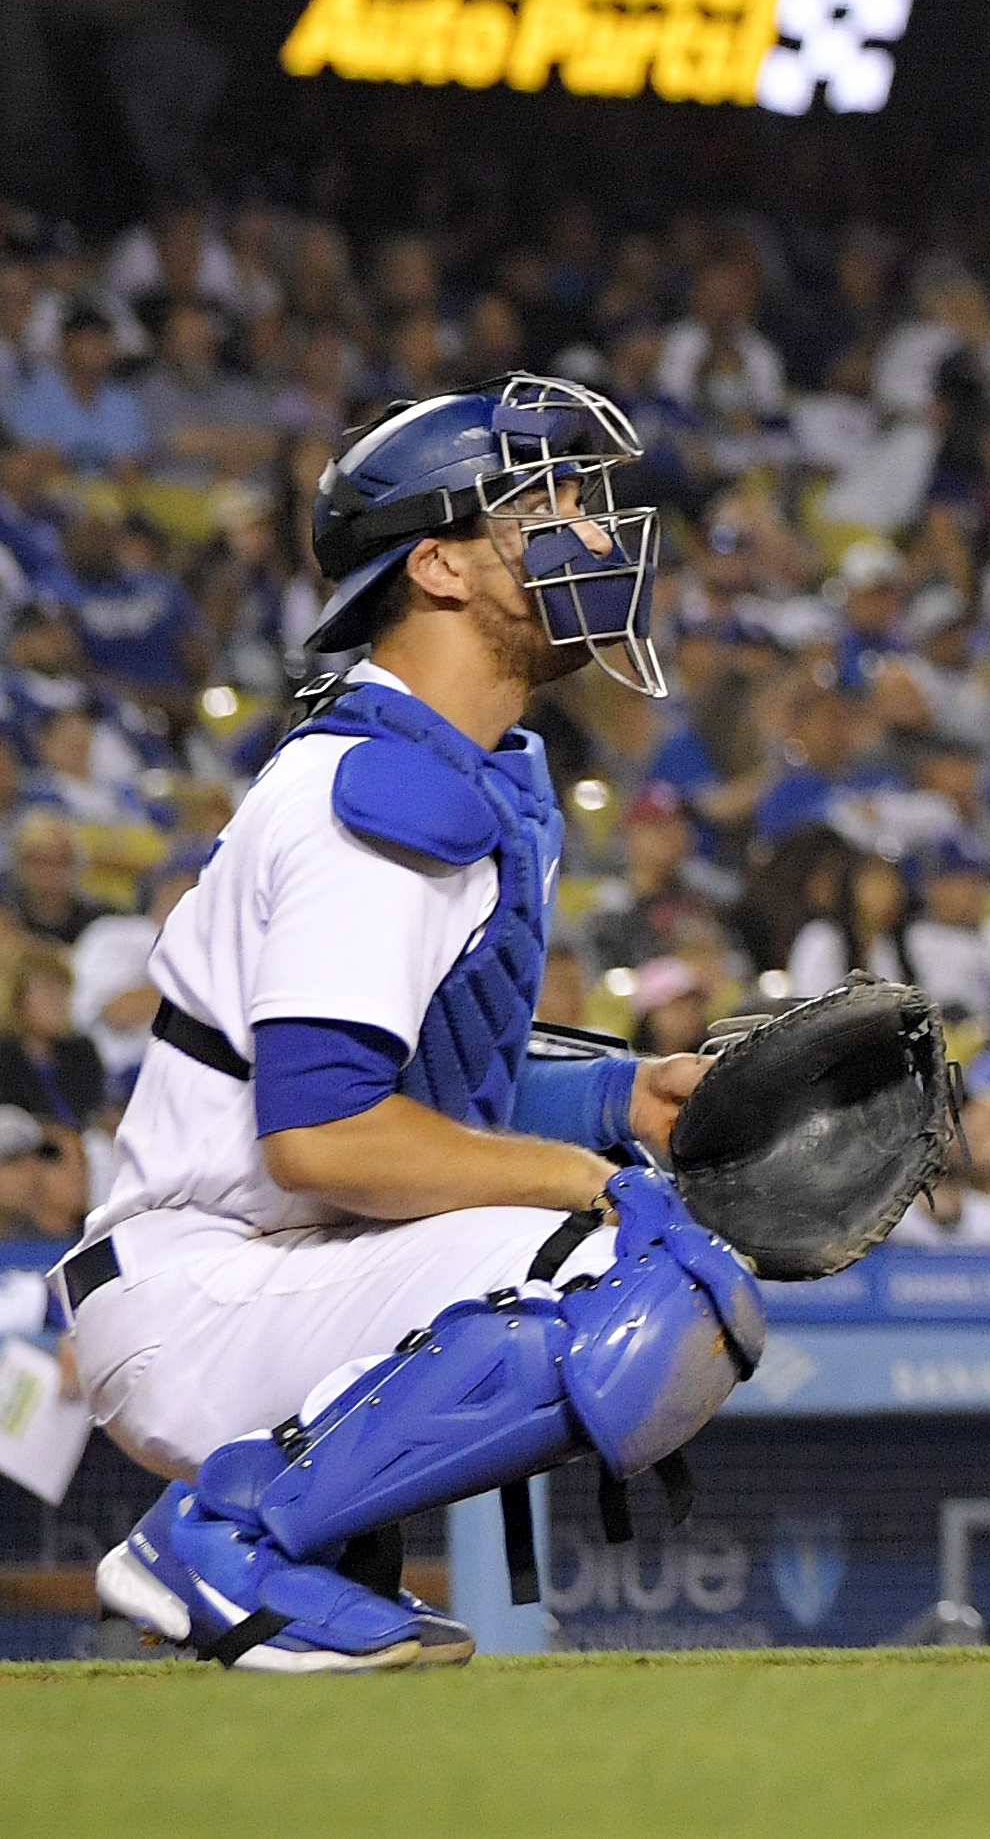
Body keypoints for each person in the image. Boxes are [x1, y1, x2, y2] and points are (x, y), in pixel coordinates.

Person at [63, 377, 748, 1673]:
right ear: (436, 563)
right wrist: (587, 1175)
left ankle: (276, 1563)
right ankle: (219, 1539)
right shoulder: (378, 792)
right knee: (625, 1261)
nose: (594, 536)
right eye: (543, 506)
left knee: (631, 1231)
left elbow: (418, 1097)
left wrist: (624, 1099)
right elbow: (327, 1134)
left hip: (281, 1266)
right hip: (213, 1280)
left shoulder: (456, 767)